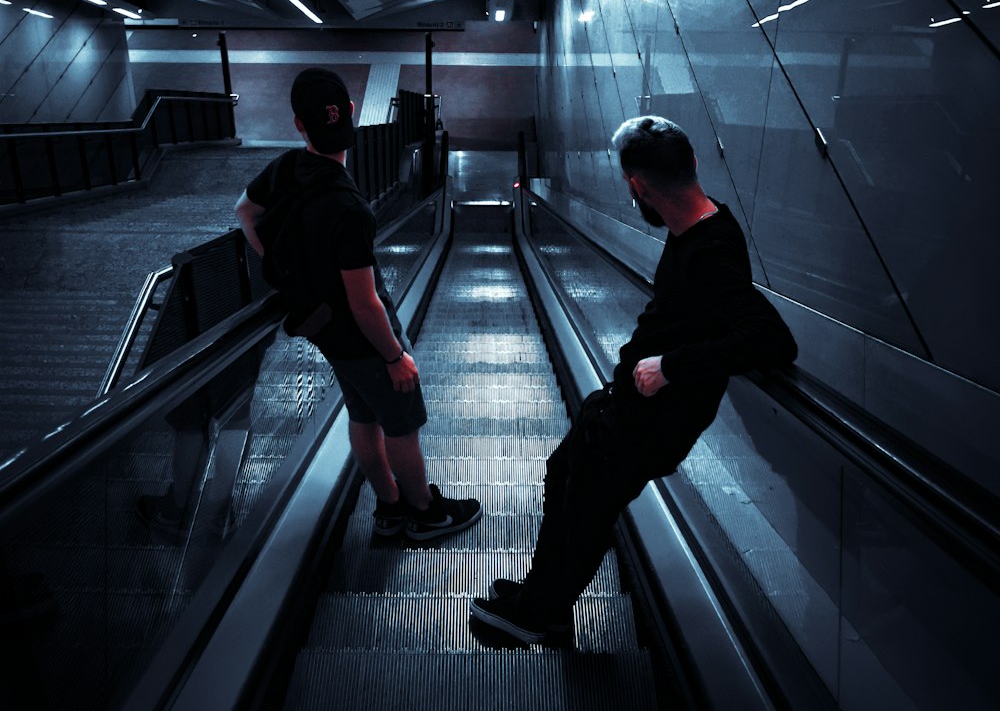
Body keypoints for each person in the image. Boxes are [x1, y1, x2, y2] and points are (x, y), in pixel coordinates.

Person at [471, 114, 798, 643]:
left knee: (586, 508)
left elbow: (772, 340)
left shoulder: (711, 250)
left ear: (637, 186)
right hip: (627, 407)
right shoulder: (699, 225)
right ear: (692, 163)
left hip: (655, 422)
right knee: (564, 476)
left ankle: (544, 615)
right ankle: (539, 591)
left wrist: (671, 366)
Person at [235, 67, 480, 543]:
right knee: (402, 424)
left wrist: (285, 270)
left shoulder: (284, 168)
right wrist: (395, 357)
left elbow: (244, 211)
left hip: (330, 335)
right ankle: (423, 513)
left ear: (299, 125)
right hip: (365, 338)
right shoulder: (348, 206)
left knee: (363, 417)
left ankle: (388, 508)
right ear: (350, 113)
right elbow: (365, 302)